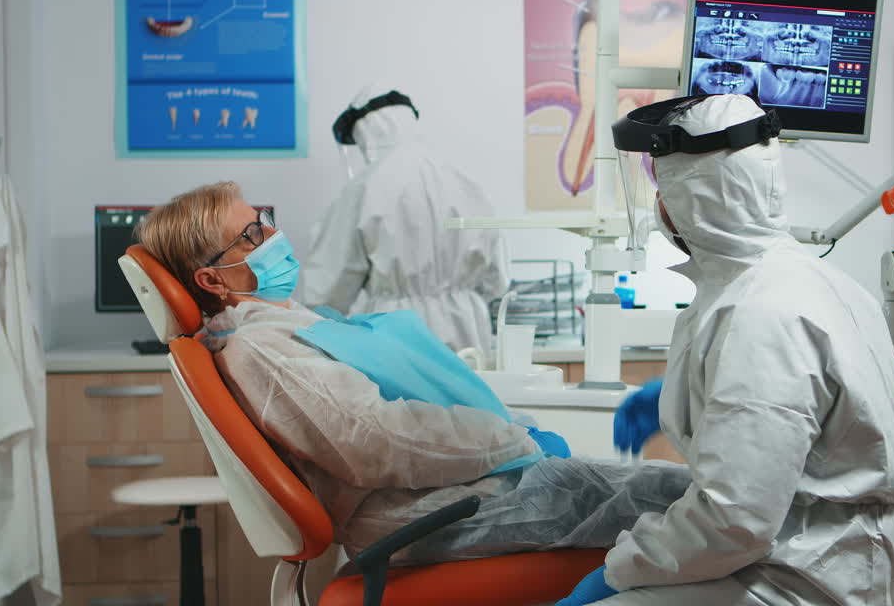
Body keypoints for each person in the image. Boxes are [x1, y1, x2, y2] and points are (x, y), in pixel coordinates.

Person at [557, 94, 894, 606]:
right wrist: (690, 395)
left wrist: (623, 565)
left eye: (664, 187)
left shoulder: (760, 313)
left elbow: (733, 523)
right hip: (821, 552)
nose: (658, 206)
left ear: (692, 197)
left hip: (799, 577)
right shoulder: (807, 282)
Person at [136, 181, 691, 564]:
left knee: (676, 498)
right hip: (428, 517)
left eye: (265, 220)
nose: (272, 237)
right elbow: (377, 440)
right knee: (689, 508)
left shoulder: (284, 325)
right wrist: (512, 438)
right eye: (251, 236)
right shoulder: (262, 349)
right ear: (212, 281)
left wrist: (508, 430)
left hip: (448, 495)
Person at [301, 86, 508, 353]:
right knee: (463, 380)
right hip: (467, 329)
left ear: (367, 133)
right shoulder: (466, 183)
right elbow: (496, 280)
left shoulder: (364, 189)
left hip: (396, 332)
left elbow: (328, 291)